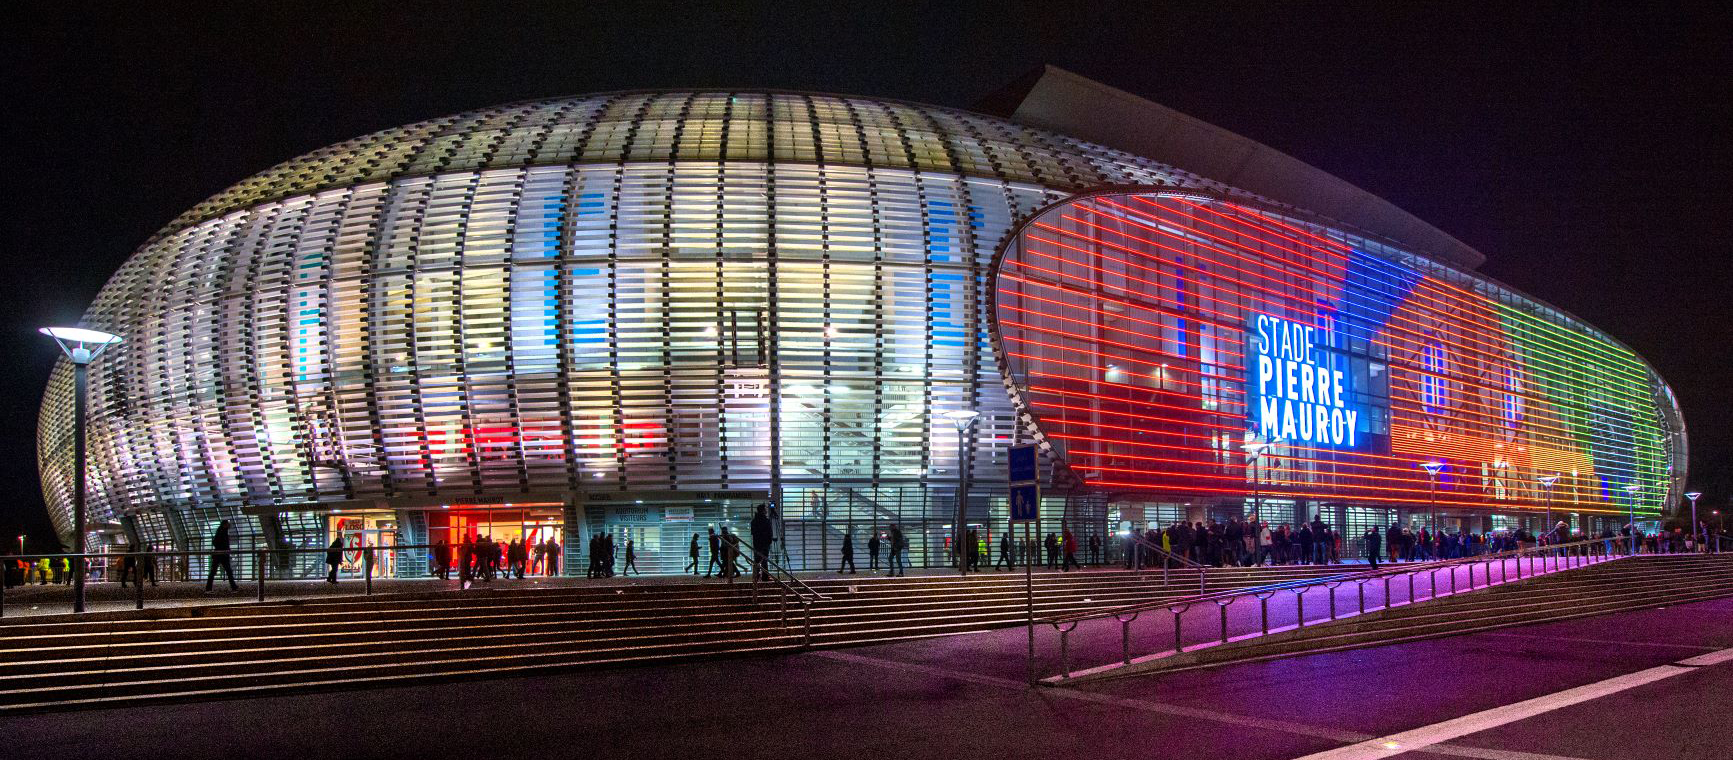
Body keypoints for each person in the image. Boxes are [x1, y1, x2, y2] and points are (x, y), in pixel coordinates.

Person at [203, 520, 238, 593]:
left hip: (219, 554)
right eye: (228, 524)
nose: (229, 525)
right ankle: (234, 587)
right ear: (225, 524)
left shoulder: (220, 531)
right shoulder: (223, 531)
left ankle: (208, 588)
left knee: (213, 572)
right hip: (223, 554)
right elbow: (219, 542)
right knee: (228, 571)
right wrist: (225, 549)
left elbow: (215, 542)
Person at [749, 504, 775, 582]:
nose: (766, 511)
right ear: (763, 510)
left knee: (757, 561)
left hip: (757, 544)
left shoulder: (754, 521)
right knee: (764, 561)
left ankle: (756, 576)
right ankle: (765, 577)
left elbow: (753, 533)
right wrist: (769, 541)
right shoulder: (766, 521)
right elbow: (770, 533)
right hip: (764, 544)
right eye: (765, 509)